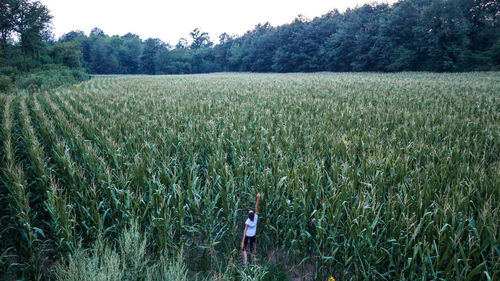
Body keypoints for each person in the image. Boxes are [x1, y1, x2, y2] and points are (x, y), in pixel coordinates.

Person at [241, 192, 261, 265]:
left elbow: (245, 230)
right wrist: (258, 198)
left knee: (243, 248)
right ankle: (253, 261)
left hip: (247, 235)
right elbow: (256, 207)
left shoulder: (248, 221)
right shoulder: (256, 218)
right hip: (252, 235)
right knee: (252, 248)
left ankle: (246, 261)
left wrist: (243, 241)